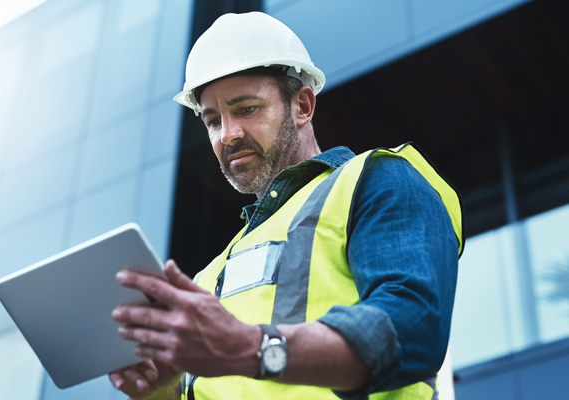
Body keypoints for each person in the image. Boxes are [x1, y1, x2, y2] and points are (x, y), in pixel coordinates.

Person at [108, 12, 463, 400]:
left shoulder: (376, 179)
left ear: (302, 106)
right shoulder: (206, 279)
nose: (228, 135)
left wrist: (250, 348)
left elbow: (413, 330)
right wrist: (160, 390)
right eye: (213, 121)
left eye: (246, 109)